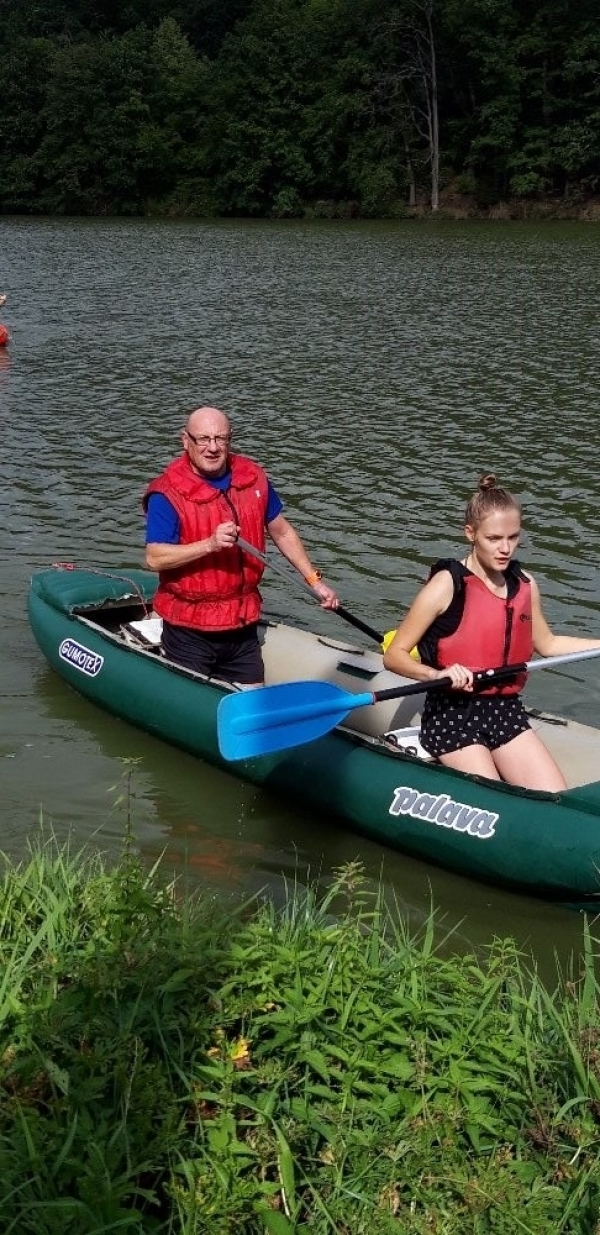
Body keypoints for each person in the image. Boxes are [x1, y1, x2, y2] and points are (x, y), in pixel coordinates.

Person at [383, 474, 600, 791]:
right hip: (452, 714)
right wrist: (435, 673)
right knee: (493, 796)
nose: (505, 548)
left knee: (554, 795)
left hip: (505, 711)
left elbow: (549, 644)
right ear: (470, 533)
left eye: (513, 537)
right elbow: (394, 655)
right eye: (494, 538)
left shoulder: (524, 583)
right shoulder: (446, 584)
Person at [144, 405, 338, 686]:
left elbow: (281, 532)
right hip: (189, 628)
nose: (212, 448)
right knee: (197, 705)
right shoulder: (166, 493)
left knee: (251, 707)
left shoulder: (253, 477)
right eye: (203, 439)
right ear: (185, 440)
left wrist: (314, 580)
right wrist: (209, 544)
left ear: (230, 439)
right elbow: (155, 558)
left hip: (242, 623)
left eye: (220, 438)